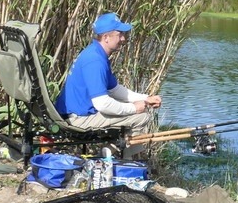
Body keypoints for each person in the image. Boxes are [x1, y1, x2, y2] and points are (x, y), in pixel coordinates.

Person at [55, 12, 161, 156]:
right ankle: (114, 156)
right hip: (77, 119)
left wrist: (145, 98)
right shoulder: (95, 61)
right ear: (106, 37)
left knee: (139, 112)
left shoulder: (96, 53)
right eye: (120, 35)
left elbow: (115, 89)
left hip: (79, 113)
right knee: (141, 117)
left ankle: (115, 154)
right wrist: (133, 108)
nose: (123, 39)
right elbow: (102, 104)